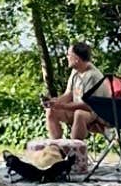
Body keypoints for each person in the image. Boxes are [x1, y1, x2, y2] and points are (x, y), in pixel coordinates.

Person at [42, 41, 108, 171]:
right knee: (51, 111)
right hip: (79, 108)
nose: (66, 57)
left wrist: (64, 106)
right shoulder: (75, 72)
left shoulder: (93, 75)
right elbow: (69, 94)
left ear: (77, 59)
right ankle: (57, 152)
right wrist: (54, 103)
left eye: (68, 54)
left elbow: (88, 105)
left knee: (79, 114)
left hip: (96, 112)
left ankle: (74, 156)